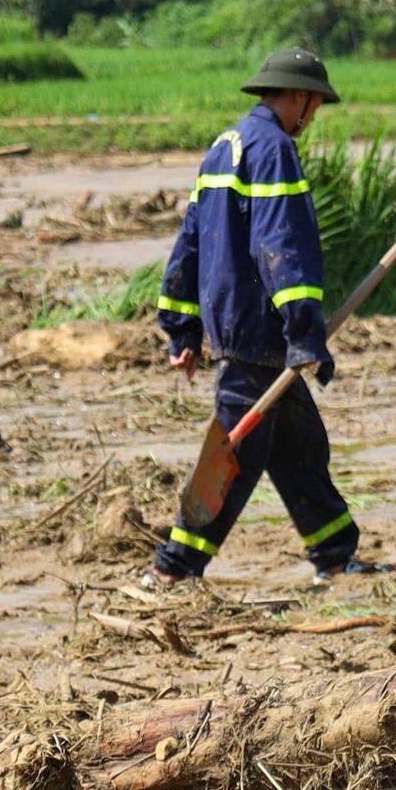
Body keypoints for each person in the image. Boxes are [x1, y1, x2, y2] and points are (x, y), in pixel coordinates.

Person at [149, 48, 375, 587]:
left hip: (237, 325)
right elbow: (283, 247)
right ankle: (174, 568)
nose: (312, 118)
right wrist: (303, 331)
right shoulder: (273, 149)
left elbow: (189, 244)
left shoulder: (225, 145)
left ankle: (335, 554)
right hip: (259, 332)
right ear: (297, 97)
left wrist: (181, 326)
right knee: (235, 455)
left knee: (300, 448)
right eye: (314, 106)